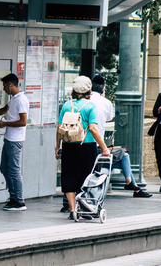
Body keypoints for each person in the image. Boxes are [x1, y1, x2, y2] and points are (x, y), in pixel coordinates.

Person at [55, 76, 110, 220]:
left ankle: (73, 209)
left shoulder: (67, 105)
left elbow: (59, 128)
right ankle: (84, 207)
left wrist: (57, 147)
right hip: (86, 147)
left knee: (69, 176)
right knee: (87, 177)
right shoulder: (91, 107)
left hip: (68, 146)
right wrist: (104, 148)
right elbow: (93, 128)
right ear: (89, 90)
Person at [90, 75, 151, 198]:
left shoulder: (86, 102)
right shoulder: (106, 103)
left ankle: (132, 185)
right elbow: (108, 118)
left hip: (92, 147)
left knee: (124, 155)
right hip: (96, 148)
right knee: (124, 155)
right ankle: (132, 184)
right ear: (103, 89)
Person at [0, 73, 29, 211]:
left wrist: (5, 123)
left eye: (4, 86)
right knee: (4, 168)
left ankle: (19, 201)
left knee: (14, 170)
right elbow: (5, 108)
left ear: (11, 85)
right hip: (9, 139)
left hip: (15, 140)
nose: (3, 89)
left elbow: (23, 122)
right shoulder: (14, 99)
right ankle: (13, 196)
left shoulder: (21, 100)